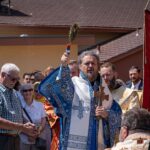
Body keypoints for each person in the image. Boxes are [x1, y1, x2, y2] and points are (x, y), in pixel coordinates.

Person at [39, 51, 122, 150]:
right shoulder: (73, 85)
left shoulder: (103, 88)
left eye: (93, 63)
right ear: (80, 66)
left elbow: (117, 112)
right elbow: (59, 91)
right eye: (87, 63)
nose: (90, 66)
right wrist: (64, 66)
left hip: (98, 143)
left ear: (97, 66)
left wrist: (107, 114)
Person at [0, 63, 38, 150]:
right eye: (13, 79)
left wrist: (26, 125)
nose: (15, 82)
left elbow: (17, 115)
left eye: (17, 79)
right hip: (2, 139)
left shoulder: (15, 93)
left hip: (16, 139)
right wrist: (22, 127)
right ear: (3, 75)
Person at [19, 83, 47, 150]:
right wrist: (29, 134)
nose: (28, 92)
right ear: (21, 92)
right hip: (22, 140)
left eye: (30, 90)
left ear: (33, 91)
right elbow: (18, 122)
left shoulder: (40, 105)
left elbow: (43, 120)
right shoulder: (18, 105)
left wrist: (37, 133)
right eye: (25, 90)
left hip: (37, 139)